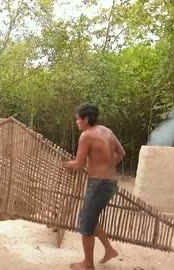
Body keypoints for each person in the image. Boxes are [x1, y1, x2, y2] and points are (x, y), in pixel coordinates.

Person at [65, 103, 126, 270]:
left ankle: (88, 264)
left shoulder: (86, 135)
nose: (77, 122)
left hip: (98, 184)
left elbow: (78, 164)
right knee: (91, 218)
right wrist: (108, 166)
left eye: (78, 119)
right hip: (111, 184)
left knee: (85, 223)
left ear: (85, 119)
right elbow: (121, 153)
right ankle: (109, 250)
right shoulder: (107, 131)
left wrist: (66, 165)